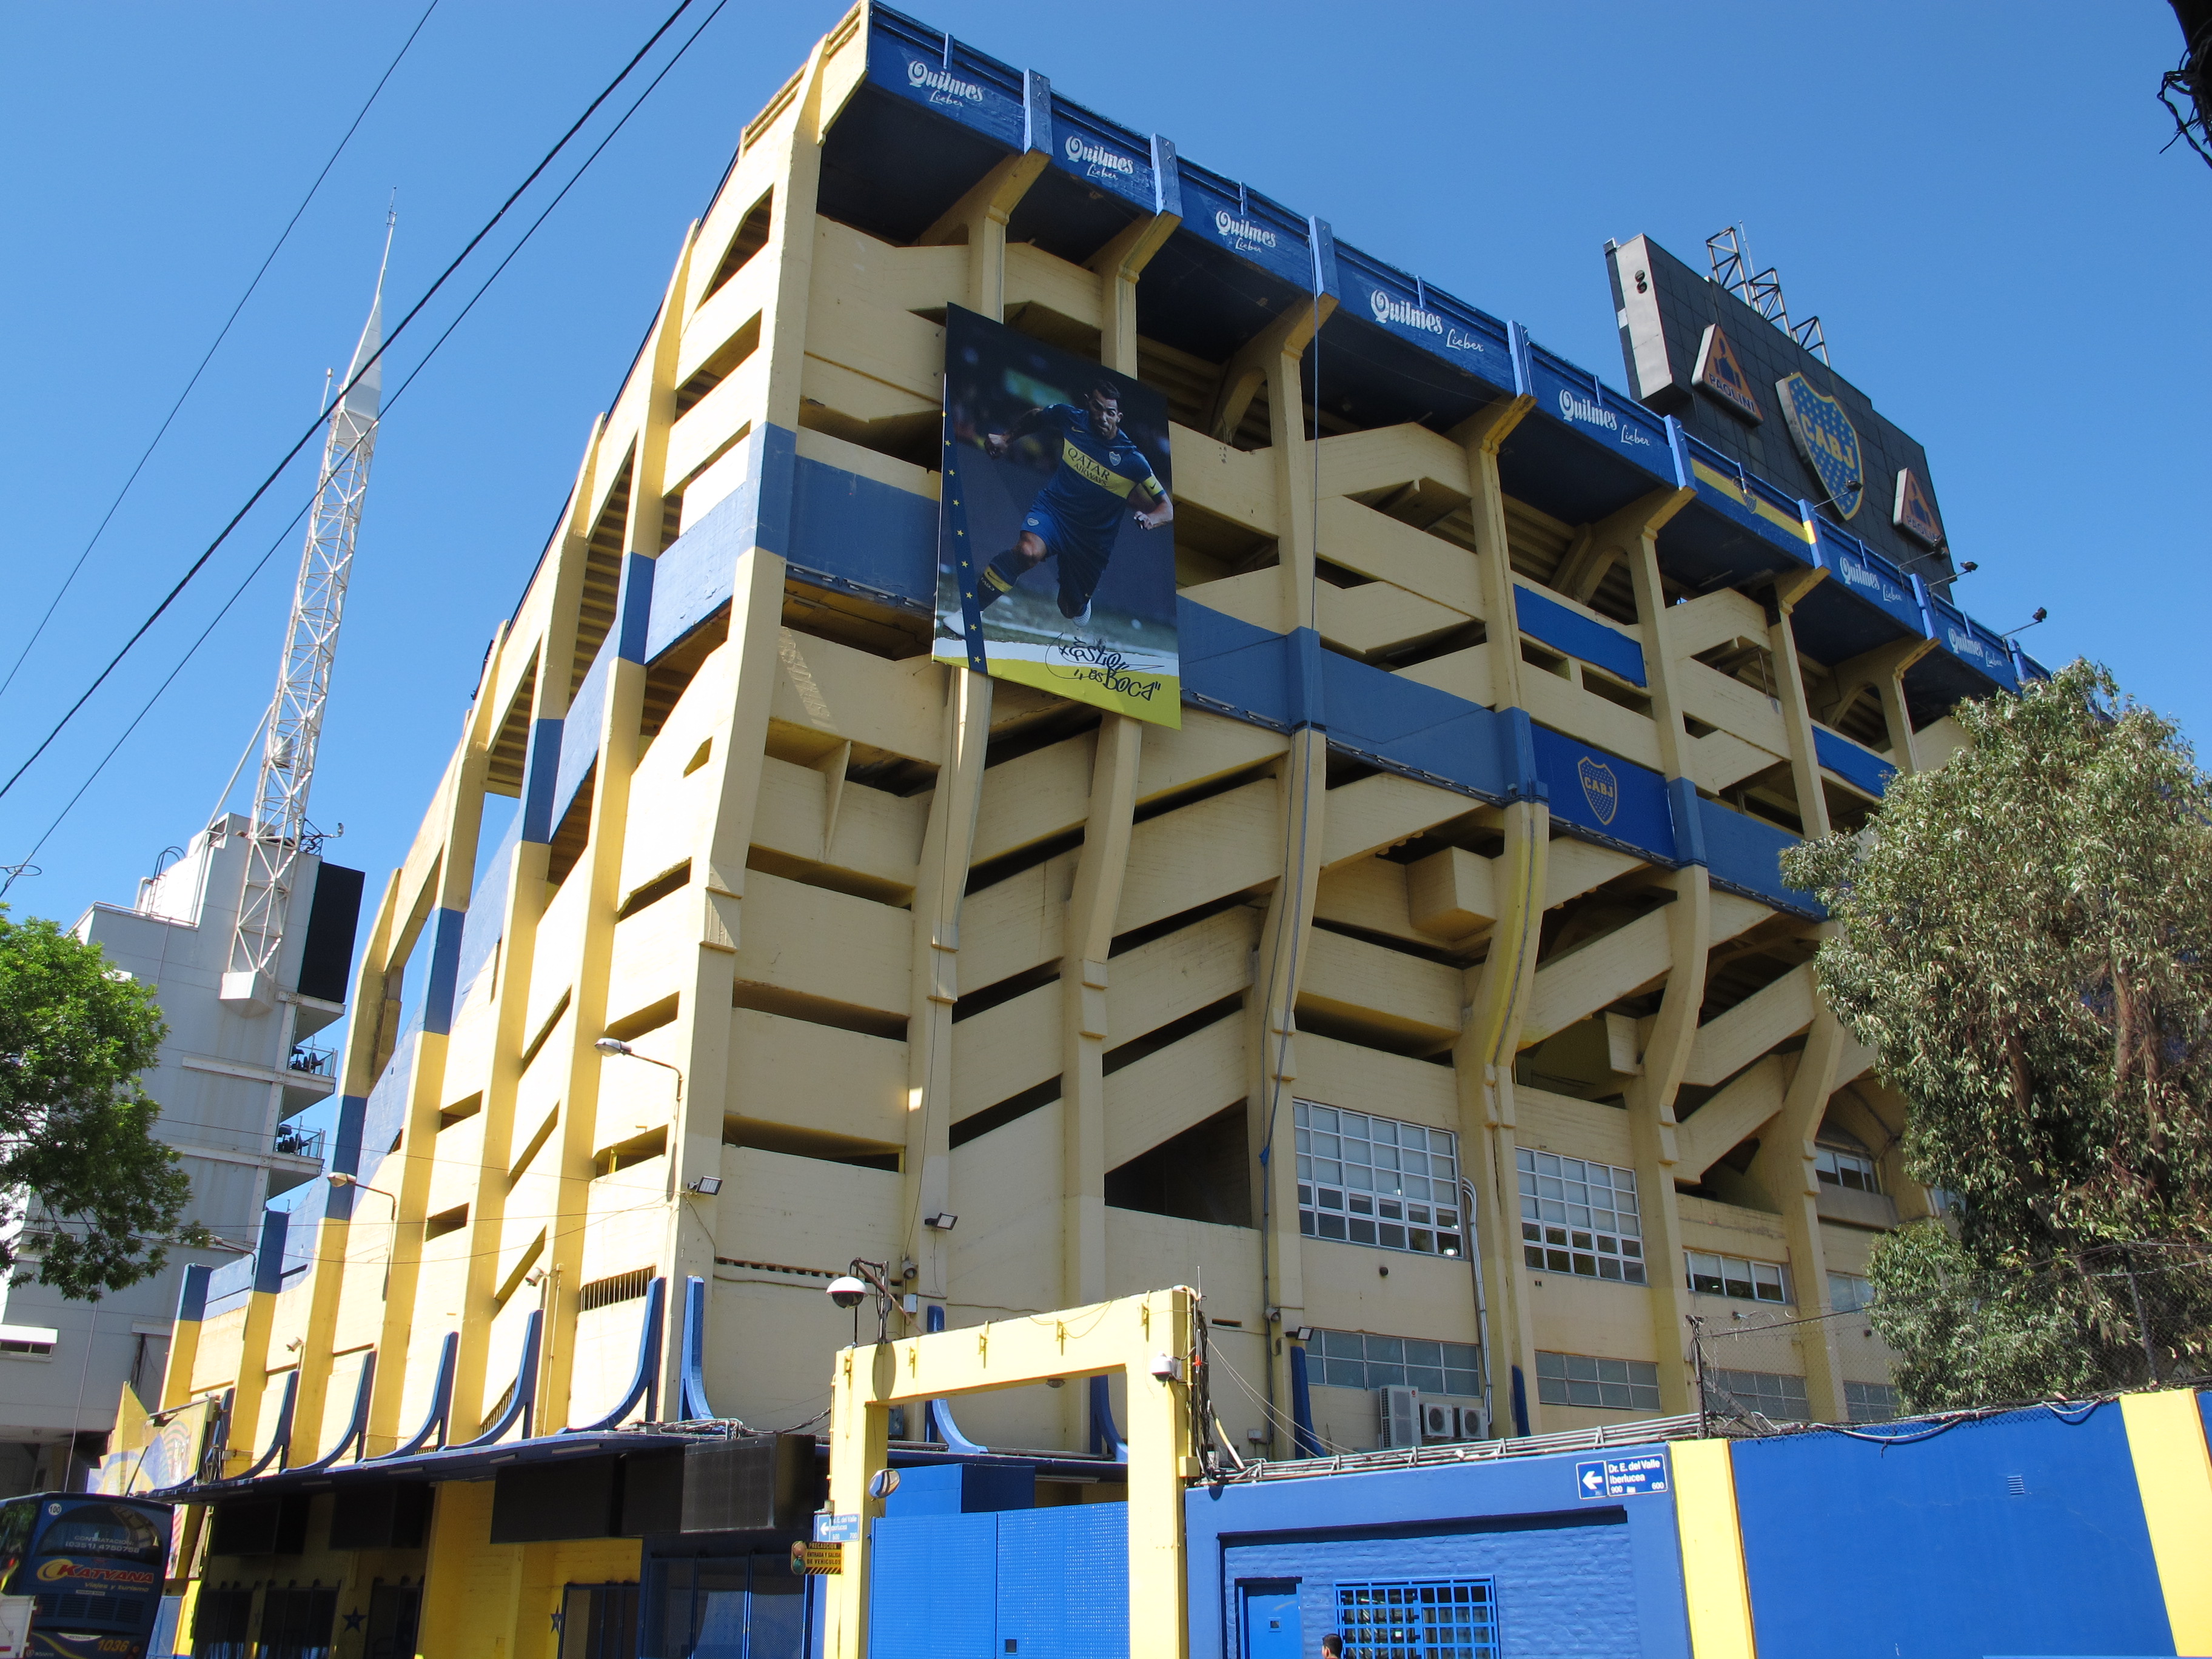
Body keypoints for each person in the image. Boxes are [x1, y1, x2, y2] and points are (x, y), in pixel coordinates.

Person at [974, 380, 1171, 624]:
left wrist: (1151, 518)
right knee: (1027, 551)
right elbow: (1038, 417)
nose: (1103, 417)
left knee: (1070, 609)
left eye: (1110, 413)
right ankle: (971, 613)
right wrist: (1006, 438)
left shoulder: (1133, 460)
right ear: (1088, 402)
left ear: (1118, 417)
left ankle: (1078, 597)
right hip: (1055, 512)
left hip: (1091, 541)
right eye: (1097, 408)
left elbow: (1167, 508)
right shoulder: (1070, 418)